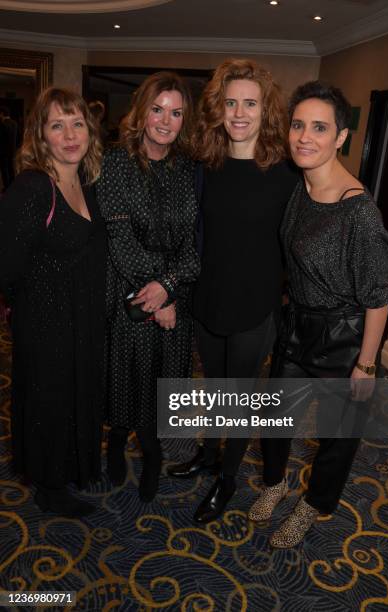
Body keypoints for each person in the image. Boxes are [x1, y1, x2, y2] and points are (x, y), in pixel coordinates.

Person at [248, 81, 388, 547]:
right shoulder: (301, 186)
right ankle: (276, 483)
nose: (304, 137)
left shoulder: (360, 212)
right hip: (297, 327)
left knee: (337, 438)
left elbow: (379, 295)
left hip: (344, 338)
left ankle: (314, 506)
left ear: (341, 137)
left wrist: (367, 363)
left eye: (319, 127)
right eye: (298, 125)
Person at [167, 59, 299, 523]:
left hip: (255, 306)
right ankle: (207, 453)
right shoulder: (207, 164)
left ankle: (227, 478)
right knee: (214, 391)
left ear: (266, 110)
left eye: (250, 102)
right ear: (218, 108)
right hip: (208, 300)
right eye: (230, 102)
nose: (239, 112)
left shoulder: (286, 173)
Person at [0, 88, 106, 517]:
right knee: (48, 402)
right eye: (56, 125)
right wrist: (27, 310)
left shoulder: (86, 180)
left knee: (77, 395)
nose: (69, 135)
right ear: (40, 135)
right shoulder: (31, 188)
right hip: (44, 323)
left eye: (77, 123)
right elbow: (5, 266)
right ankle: (49, 485)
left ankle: (73, 467)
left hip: (82, 319)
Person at [97, 71, 200, 502]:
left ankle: (155, 453)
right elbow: (120, 243)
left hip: (175, 300)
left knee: (166, 383)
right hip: (128, 295)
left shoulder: (187, 169)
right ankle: (119, 443)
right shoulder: (115, 161)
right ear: (141, 111)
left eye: (176, 113)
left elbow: (194, 247)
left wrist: (171, 288)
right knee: (125, 381)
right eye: (157, 109)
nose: (165, 120)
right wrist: (158, 297)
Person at [0, 105, 18, 190]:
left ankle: (7, 187)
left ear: (2, 114)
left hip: (3, 150)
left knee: (4, 169)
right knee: (11, 168)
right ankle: (13, 185)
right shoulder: (15, 123)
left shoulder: (2, 124)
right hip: (12, 149)